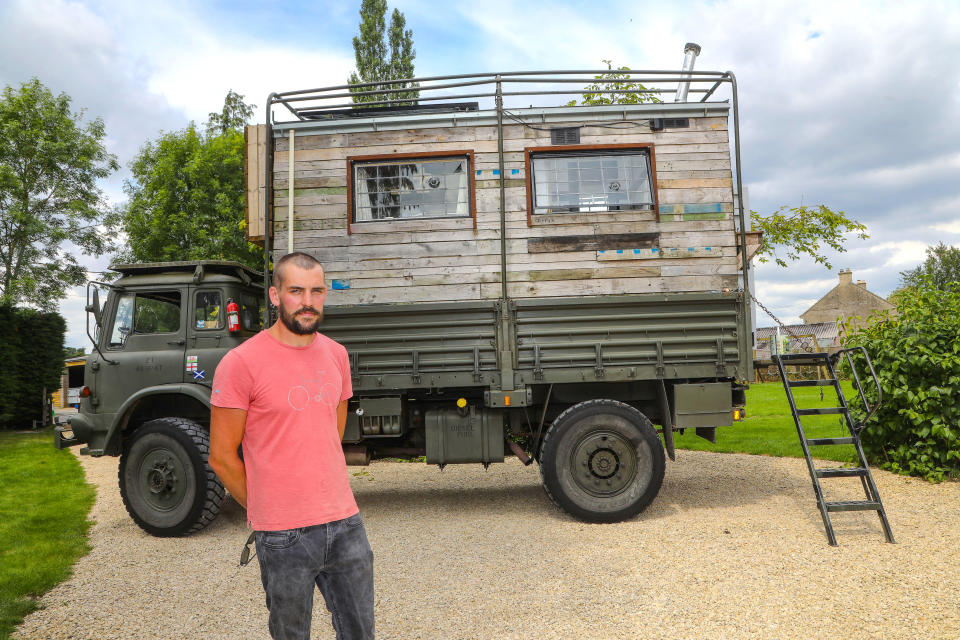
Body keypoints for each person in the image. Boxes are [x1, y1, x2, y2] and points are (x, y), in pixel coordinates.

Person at [209, 251, 374, 640]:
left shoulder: (336, 354)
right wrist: (268, 510)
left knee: (361, 632)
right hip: (283, 535)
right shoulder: (240, 363)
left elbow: (330, 435)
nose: (307, 300)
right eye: (296, 290)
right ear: (274, 295)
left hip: (346, 523)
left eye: (317, 290)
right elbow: (221, 456)